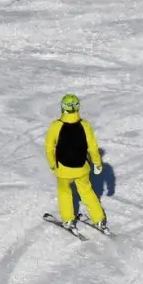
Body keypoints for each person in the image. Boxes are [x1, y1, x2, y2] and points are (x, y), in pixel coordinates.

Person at [44, 94, 108, 234]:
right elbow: (92, 147)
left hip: (63, 169)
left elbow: (49, 148)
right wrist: (97, 163)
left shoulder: (56, 126)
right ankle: (98, 219)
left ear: (63, 108)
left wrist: (52, 164)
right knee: (87, 191)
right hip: (81, 168)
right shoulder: (85, 125)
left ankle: (68, 220)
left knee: (64, 192)